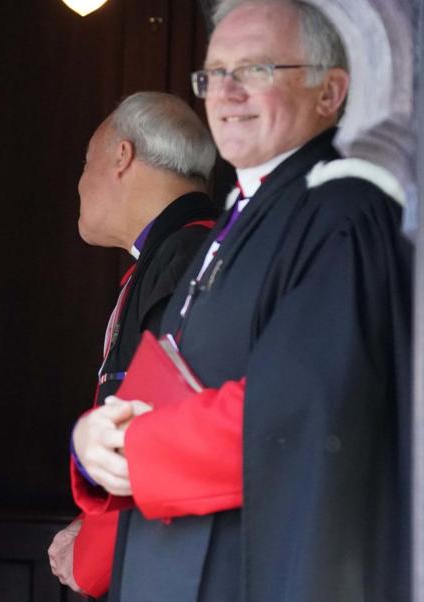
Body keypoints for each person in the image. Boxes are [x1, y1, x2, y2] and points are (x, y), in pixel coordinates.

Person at [71, 1, 411, 600]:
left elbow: (304, 410)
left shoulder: (341, 214)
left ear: (330, 92)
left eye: (255, 70)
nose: (225, 93)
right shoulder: (242, 213)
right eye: (213, 74)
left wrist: (135, 446)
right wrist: (97, 445)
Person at [47, 92, 218, 598]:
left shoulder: (184, 256)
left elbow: (159, 422)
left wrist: (93, 553)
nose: (79, 182)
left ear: (121, 156)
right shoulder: (182, 252)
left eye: (85, 162)